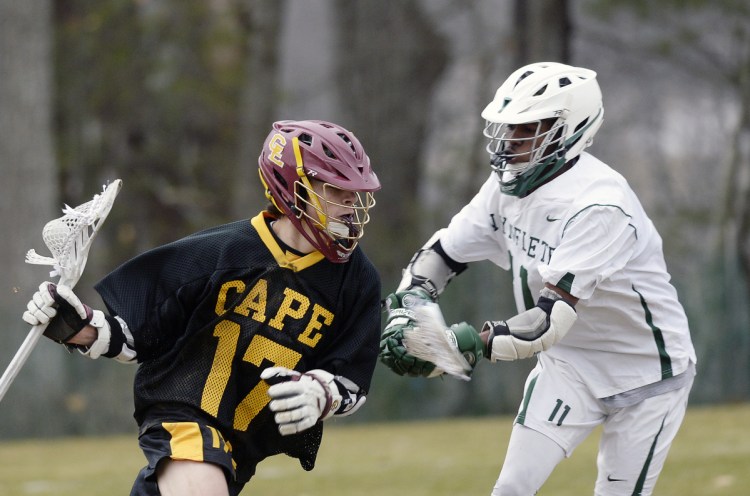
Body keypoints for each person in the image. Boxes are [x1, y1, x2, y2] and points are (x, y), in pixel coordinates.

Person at [379, 62, 696, 495]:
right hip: (571, 364)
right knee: (511, 488)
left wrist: (464, 344)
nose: (511, 143)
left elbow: (550, 320)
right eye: (509, 129)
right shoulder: (505, 186)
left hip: (645, 371)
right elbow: (442, 254)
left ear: (570, 130)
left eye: (527, 129)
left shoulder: (601, 204)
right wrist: (411, 306)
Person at [23, 119, 382, 496]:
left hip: (238, 452)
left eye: (356, 193)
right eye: (336, 191)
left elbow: (352, 380)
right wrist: (80, 327)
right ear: (293, 190)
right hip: (182, 417)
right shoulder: (217, 252)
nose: (351, 205)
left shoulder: (357, 281)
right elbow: (136, 338)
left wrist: (319, 393)